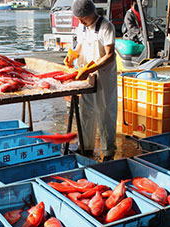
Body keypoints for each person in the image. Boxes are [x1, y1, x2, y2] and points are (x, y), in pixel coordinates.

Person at [64, 0, 117, 161]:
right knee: (86, 111)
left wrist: (89, 69)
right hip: (87, 76)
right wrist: (72, 55)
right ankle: (86, 147)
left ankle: (108, 151)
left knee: (105, 111)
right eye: (79, 18)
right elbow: (80, 45)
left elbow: (110, 55)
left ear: (92, 13)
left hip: (104, 76)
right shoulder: (82, 26)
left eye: (83, 18)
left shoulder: (106, 27)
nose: (80, 21)